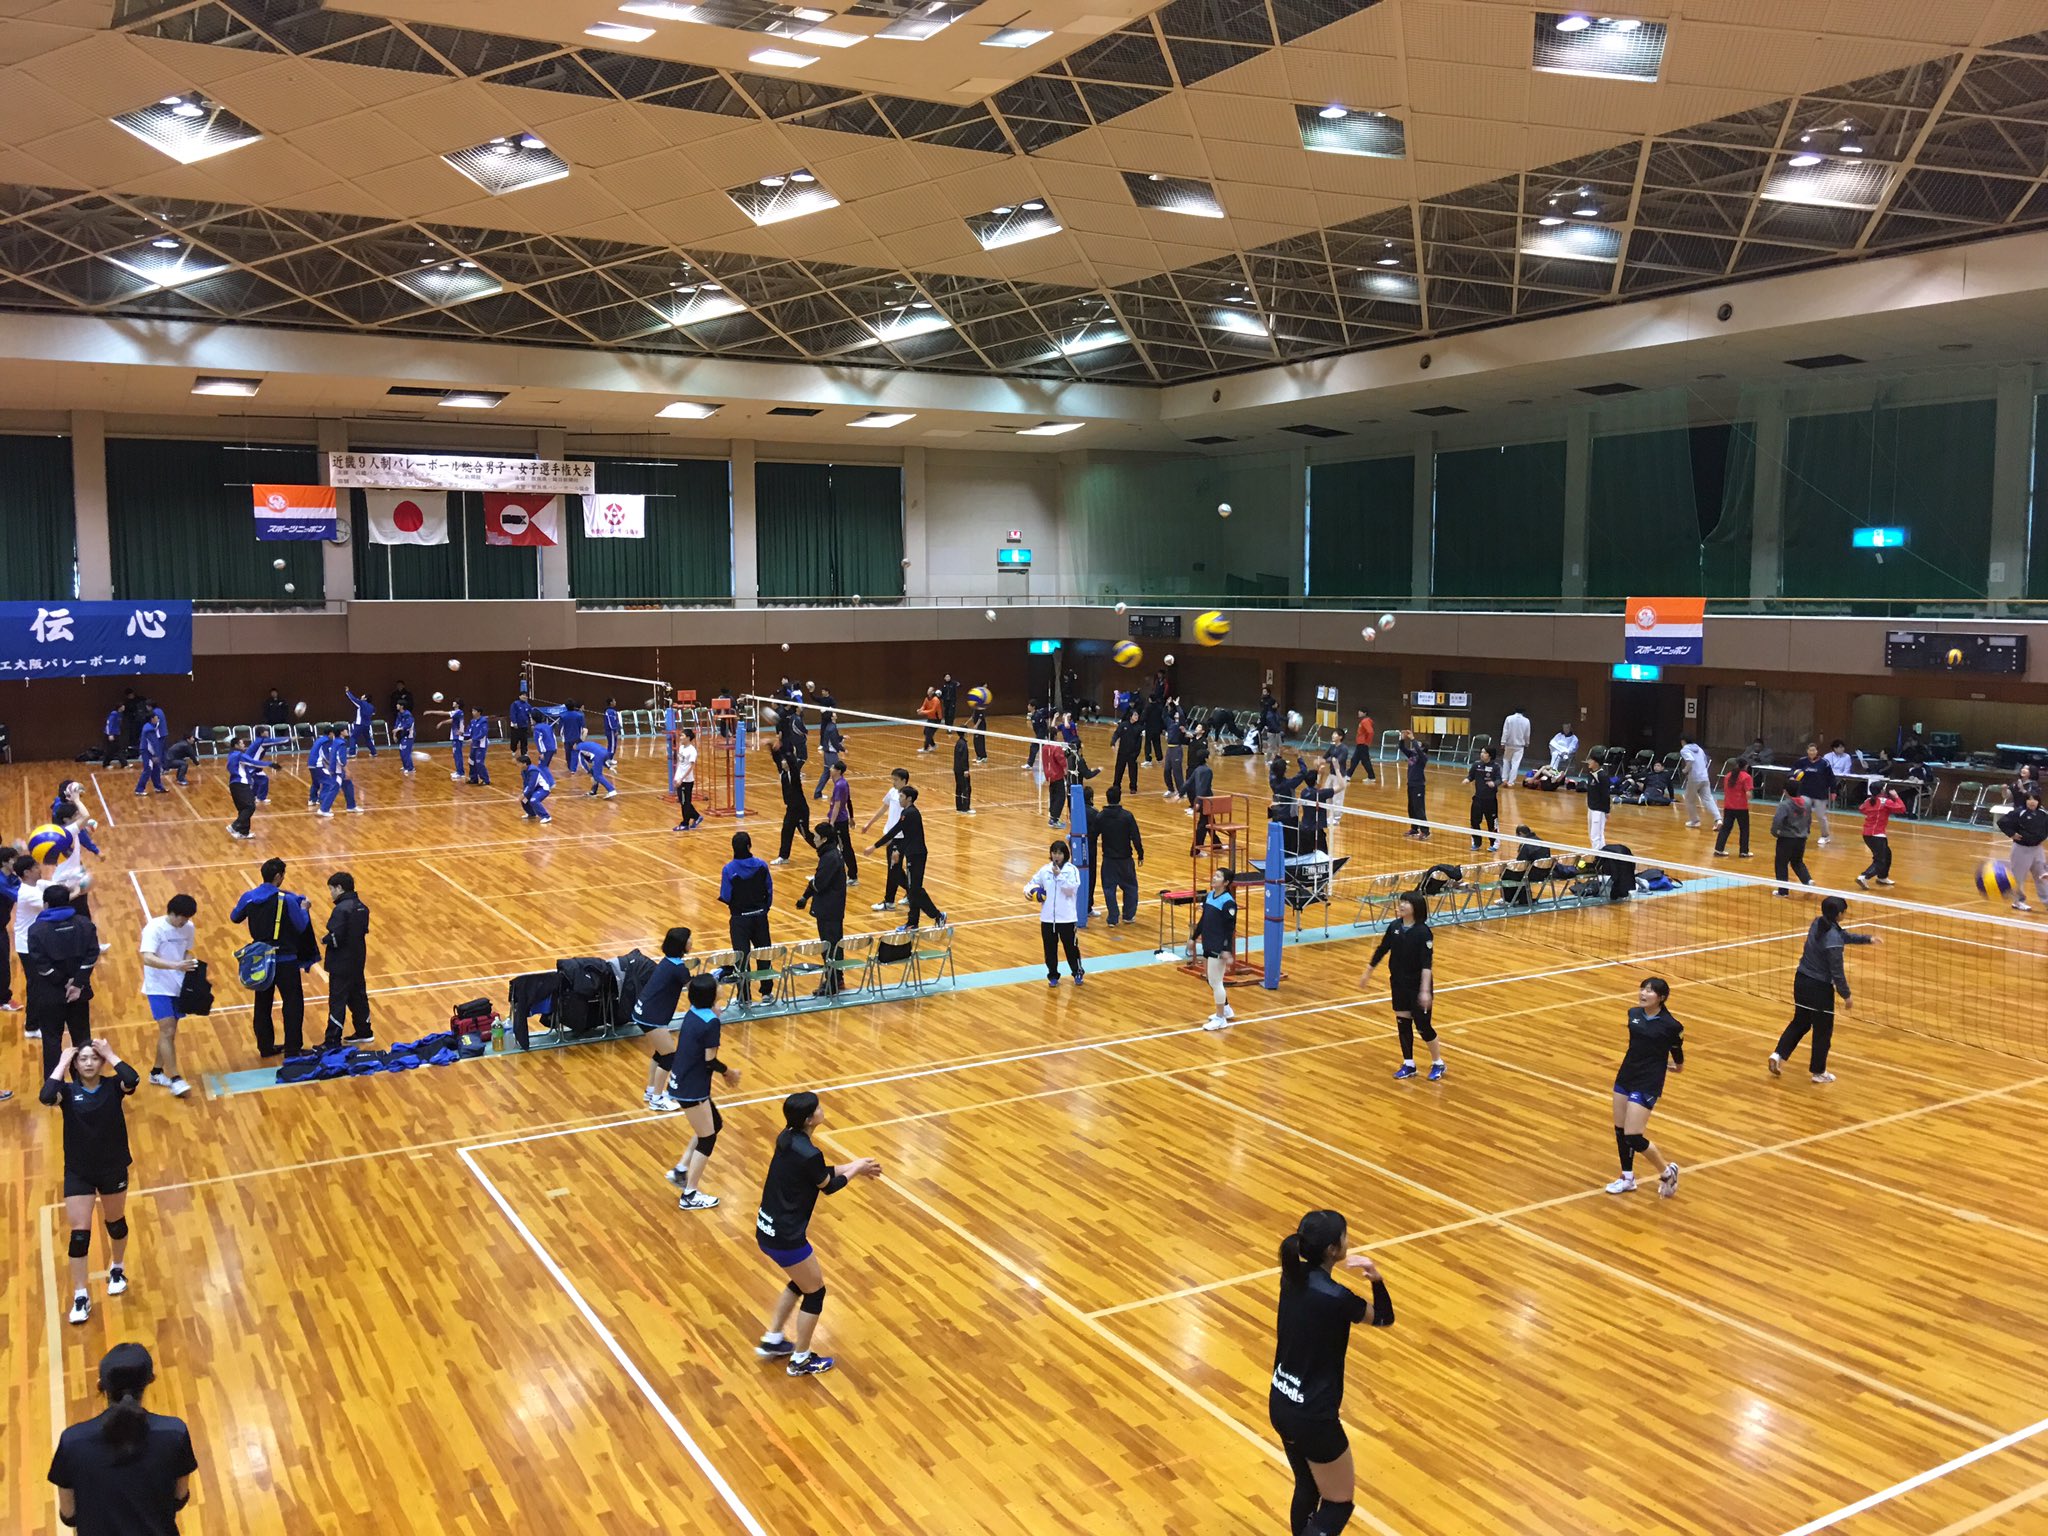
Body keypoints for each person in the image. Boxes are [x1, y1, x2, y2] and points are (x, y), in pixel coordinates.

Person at [1268, 1209, 1394, 1536]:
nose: (1348, 1241)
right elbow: (1383, 1317)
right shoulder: (1337, 1298)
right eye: (1345, 1236)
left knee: (1308, 1487)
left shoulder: (1291, 1277)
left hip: (1281, 1402)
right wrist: (1376, 1279)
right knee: (1338, 1503)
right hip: (1314, 1417)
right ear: (1332, 1250)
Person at [753, 1092, 884, 1381]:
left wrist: (854, 1166)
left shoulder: (787, 1138)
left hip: (766, 1228)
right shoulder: (809, 1153)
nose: (822, 1110)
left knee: (801, 1282)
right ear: (810, 1119)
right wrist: (856, 1170)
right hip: (787, 1238)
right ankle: (800, 1359)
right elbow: (828, 1186)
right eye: (818, 1108)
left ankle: (773, 1339)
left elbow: (817, 1174)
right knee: (815, 1292)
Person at [49, 1342, 198, 1533]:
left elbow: (68, 1514)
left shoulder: (72, 1442)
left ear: (100, 1385)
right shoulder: (175, 1433)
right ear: (150, 1380)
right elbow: (179, 1497)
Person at [42, 1038, 139, 1324]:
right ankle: (80, 1295)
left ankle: (117, 1268)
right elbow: (46, 1096)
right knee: (79, 1236)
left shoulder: (113, 1086)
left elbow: (132, 1079)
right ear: (76, 1063)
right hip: (79, 1172)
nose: (88, 1063)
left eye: (94, 1058)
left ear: (101, 1062)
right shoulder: (67, 1092)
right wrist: (62, 1062)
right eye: (82, 1058)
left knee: (115, 1223)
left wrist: (111, 1053)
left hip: (112, 1167)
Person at [1770, 896, 1876, 1084]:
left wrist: (1866, 939)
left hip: (1801, 981)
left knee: (1800, 1022)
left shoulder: (1818, 923)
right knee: (1822, 1031)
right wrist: (1846, 995)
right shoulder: (1833, 939)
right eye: (1845, 911)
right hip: (1819, 988)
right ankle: (1818, 1072)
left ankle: (1778, 1055)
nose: (1846, 914)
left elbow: (1843, 936)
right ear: (1839, 914)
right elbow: (1837, 972)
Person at [664, 973, 741, 1210]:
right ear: (711, 995)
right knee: (708, 1138)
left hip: (683, 1081)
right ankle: (690, 1194)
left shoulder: (694, 1012)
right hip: (692, 1088)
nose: (720, 986)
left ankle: (681, 1170)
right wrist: (729, 1073)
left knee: (714, 1125)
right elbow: (710, 1061)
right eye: (717, 986)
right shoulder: (711, 1023)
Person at [230, 858, 315, 1058]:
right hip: (285, 960)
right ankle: (293, 1049)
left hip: (261, 960)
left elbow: (235, 917)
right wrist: (304, 910)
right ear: (278, 876)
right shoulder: (285, 900)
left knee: (262, 1004)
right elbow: (300, 926)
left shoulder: (249, 897)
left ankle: (265, 1047)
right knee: (293, 1003)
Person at [1608, 977, 1683, 1197]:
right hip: (1626, 1075)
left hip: (1648, 1081)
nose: (1643, 993)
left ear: (1661, 998)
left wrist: (1677, 1066)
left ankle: (1667, 1172)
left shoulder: (1671, 1025)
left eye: (1650, 991)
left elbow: (1677, 1053)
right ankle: (1627, 1178)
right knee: (1620, 1130)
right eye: (1642, 989)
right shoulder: (1633, 1014)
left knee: (1633, 1135)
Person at [1362, 892, 1444, 1081]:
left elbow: (1426, 964)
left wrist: (1425, 991)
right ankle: (1409, 1064)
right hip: (1398, 983)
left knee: (1423, 1026)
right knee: (1403, 1023)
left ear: (1416, 907)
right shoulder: (1394, 927)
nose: (1402, 905)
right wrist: (1368, 971)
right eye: (1402, 901)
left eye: (1407, 902)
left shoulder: (1423, 932)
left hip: (1417, 986)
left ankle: (1438, 1062)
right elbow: (1382, 949)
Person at [28, 882, 100, 1079]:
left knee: (51, 1040)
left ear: (46, 904)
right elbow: (92, 955)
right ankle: (83, 1082)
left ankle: (54, 1085)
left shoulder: (36, 930)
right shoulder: (85, 924)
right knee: (82, 1039)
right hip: (79, 992)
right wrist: (76, 984)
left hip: (50, 995)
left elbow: (41, 964)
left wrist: (63, 982)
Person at [138, 893, 199, 1098]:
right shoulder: (154, 929)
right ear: (172, 913)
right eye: (182, 918)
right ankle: (175, 1079)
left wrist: (189, 963)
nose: (185, 922)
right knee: (168, 1029)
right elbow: (147, 958)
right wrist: (175, 965)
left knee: (169, 1033)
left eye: (188, 918)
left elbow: (187, 951)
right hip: (157, 986)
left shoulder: (188, 927)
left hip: (177, 985)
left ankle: (156, 1072)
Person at [632, 925, 694, 1111]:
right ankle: (657, 1099)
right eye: (689, 939)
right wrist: (713, 979)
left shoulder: (667, 962)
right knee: (669, 1057)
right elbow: (696, 991)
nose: (691, 942)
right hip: (652, 1017)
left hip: (643, 1012)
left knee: (661, 1053)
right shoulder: (679, 968)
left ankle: (651, 1090)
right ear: (681, 944)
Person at [319, 871, 373, 1049]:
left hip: (341, 963)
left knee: (337, 1000)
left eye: (331, 889)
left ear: (339, 888)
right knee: (358, 996)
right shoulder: (362, 907)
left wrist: (325, 939)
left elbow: (336, 937)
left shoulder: (341, 909)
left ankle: (332, 1039)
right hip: (357, 960)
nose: (331, 893)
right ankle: (364, 1031)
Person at [720, 831, 776, 1001]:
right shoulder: (761, 865)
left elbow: (726, 895)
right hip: (760, 917)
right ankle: (766, 992)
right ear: (749, 846)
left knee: (742, 958)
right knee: (764, 954)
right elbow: (769, 890)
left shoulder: (728, 869)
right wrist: (764, 909)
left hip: (740, 920)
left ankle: (744, 996)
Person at [878, 785, 945, 927]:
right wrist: (898, 850)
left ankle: (937, 915)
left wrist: (875, 846)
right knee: (913, 889)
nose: (899, 799)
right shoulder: (907, 812)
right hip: (912, 854)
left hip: (917, 855)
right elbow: (906, 836)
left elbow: (896, 831)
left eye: (901, 796)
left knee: (914, 890)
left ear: (909, 799)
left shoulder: (910, 813)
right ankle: (913, 922)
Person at [795, 825, 848, 996]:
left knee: (829, 946)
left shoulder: (830, 858)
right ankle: (837, 978)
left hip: (829, 909)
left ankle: (832, 982)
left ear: (824, 839)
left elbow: (819, 883)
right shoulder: (831, 854)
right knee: (834, 944)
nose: (814, 838)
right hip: (833, 907)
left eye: (816, 836)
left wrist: (806, 894)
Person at [1025, 840, 1084, 988]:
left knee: (1071, 948)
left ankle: (1077, 972)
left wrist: (1059, 876)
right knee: (1050, 949)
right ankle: (1052, 975)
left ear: (1065, 854)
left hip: (1067, 919)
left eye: (1060, 853)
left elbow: (1071, 889)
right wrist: (1031, 892)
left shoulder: (1072, 870)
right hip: (1047, 919)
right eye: (1054, 853)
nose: (1057, 856)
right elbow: (1030, 884)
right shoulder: (1045, 870)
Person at [1089, 785, 1145, 927]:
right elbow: (1136, 836)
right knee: (1130, 887)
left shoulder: (1101, 816)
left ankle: (1113, 917)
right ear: (1119, 798)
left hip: (1109, 859)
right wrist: (1140, 853)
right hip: (1125, 859)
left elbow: (1093, 836)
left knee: (1109, 889)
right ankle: (1128, 915)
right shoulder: (1127, 816)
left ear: (1107, 798)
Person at [1195, 865, 1239, 1031]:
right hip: (1208, 942)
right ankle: (1226, 1009)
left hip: (1218, 945)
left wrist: (1226, 949)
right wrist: (1193, 938)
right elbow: (1203, 920)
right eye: (1214, 875)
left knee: (1216, 981)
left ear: (1226, 882)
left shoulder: (1228, 903)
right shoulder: (1209, 896)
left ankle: (1221, 1019)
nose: (1214, 878)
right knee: (1209, 978)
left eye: (1218, 876)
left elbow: (1230, 929)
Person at [864, 767, 910, 912]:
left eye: (896, 780)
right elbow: (883, 808)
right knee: (895, 869)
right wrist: (869, 824)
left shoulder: (908, 796)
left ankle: (889, 902)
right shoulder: (892, 792)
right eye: (892, 779)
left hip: (899, 838)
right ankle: (912, 892)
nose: (893, 782)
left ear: (904, 781)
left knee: (893, 869)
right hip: (890, 835)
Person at [1997, 791, 2048, 912]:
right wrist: (2012, 834)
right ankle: (2018, 902)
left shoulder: (2043, 813)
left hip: (2037, 850)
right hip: (2021, 850)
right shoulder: (2018, 812)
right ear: (2025, 801)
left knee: (2042, 876)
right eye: (2029, 799)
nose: (2032, 802)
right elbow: (2002, 822)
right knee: (2018, 878)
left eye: (2035, 799)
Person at [1856, 781, 1907, 889]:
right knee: (1880, 861)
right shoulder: (1886, 802)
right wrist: (1896, 797)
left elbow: (1862, 809)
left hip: (1867, 834)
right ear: (1882, 791)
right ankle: (1864, 876)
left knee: (1887, 854)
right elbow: (1902, 809)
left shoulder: (1868, 801)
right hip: (1877, 835)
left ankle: (1882, 877)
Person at [1787, 743, 1834, 847]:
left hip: (1820, 794)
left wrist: (1833, 792)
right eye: (1810, 750)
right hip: (1805, 792)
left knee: (1821, 816)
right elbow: (1792, 770)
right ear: (1807, 751)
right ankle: (1803, 832)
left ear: (1817, 751)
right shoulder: (1801, 761)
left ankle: (1825, 836)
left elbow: (1831, 778)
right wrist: (1791, 776)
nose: (1812, 752)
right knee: (1804, 813)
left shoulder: (1824, 763)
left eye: (1814, 750)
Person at [1770, 793, 1814, 897]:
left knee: (1781, 864)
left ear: (1785, 791)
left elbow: (1777, 820)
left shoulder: (1784, 805)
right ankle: (1808, 881)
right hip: (1801, 838)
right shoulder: (1807, 803)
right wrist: (1806, 831)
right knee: (1797, 862)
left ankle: (1783, 891)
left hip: (1786, 839)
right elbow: (1809, 819)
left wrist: (1775, 832)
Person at [773, 745, 811, 862]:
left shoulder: (794, 774)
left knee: (806, 834)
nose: (782, 762)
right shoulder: (783, 773)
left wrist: (788, 750)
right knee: (786, 831)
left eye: (785, 761)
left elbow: (792, 762)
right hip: (791, 809)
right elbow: (776, 759)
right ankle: (783, 857)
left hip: (800, 809)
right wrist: (771, 746)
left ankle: (828, 847)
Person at [1676, 735, 1718, 830]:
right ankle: (1718, 819)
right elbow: (1705, 761)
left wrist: (1685, 770)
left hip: (1694, 778)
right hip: (1704, 776)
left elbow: (1690, 760)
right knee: (1708, 799)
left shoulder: (1685, 750)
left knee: (1689, 799)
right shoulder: (1699, 749)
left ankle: (1695, 820)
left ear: (1683, 741)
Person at [1714, 757, 1753, 858]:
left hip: (1728, 806)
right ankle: (1744, 851)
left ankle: (1719, 849)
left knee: (1725, 829)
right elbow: (1748, 794)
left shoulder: (1728, 776)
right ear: (1746, 766)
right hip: (1741, 808)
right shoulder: (1747, 777)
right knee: (1744, 829)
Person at [318, 725, 361, 817]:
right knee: (334, 789)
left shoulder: (335, 741)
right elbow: (340, 759)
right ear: (341, 732)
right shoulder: (341, 743)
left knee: (348, 785)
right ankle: (323, 809)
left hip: (336, 769)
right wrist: (347, 770)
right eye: (345, 729)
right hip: (338, 770)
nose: (347, 731)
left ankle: (351, 806)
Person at [1466, 746, 1500, 853]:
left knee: (1491, 822)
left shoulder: (1495, 767)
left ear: (1490, 755)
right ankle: (1476, 842)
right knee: (1474, 821)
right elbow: (1471, 776)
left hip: (1490, 800)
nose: (1482, 754)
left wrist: (1494, 783)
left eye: (1484, 753)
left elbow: (1499, 779)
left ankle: (1494, 843)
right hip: (1478, 799)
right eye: (1481, 752)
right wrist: (1467, 779)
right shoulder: (1476, 765)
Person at [1400, 731, 1430, 839]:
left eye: (1419, 745)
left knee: (1419, 809)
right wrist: (1402, 738)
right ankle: (1414, 829)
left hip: (1418, 786)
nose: (1415, 746)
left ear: (1422, 748)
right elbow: (1402, 748)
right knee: (1411, 808)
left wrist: (1413, 739)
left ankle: (1425, 831)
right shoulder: (1412, 755)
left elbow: (1418, 750)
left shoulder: (1423, 758)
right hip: (1410, 784)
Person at [671, 727, 702, 831]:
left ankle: (685, 823)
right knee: (683, 802)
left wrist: (682, 779)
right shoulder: (681, 748)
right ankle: (697, 816)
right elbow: (680, 763)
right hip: (680, 779)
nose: (680, 737)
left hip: (687, 781)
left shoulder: (692, 751)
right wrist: (676, 777)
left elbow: (691, 767)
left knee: (685, 803)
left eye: (682, 736)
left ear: (688, 738)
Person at [132, 712, 166, 796]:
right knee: (148, 769)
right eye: (156, 717)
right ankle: (139, 789)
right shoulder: (149, 729)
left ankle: (158, 787)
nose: (158, 719)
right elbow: (153, 743)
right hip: (148, 752)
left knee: (156, 768)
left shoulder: (148, 726)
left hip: (149, 751)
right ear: (152, 719)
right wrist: (155, 755)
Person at [1112, 706, 1143, 795]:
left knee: (1133, 771)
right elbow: (1116, 734)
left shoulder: (1139, 728)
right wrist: (1113, 743)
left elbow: (1139, 743)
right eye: (1135, 715)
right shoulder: (1123, 725)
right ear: (1130, 716)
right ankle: (1116, 786)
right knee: (1119, 769)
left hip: (1132, 754)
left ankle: (1133, 787)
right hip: (1122, 752)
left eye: (1137, 715)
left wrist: (1136, 754)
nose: (1137, 717)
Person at [1585, 753, 1613, 851]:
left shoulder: (1602, 776)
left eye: (1591, 760)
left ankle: (1597, 854)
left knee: (1596, 834)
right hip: (1591, 808)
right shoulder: (1590, 774)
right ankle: (1600, 851)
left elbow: (1606, 794)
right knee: (1591, 833)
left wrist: (1607, 811)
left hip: (1599, 810)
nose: (1588, 762)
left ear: (1596, 763)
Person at [812, 709, 842, 800]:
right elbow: (834, 742)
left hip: (827, 753)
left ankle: (817, 793)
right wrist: (843, 749)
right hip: (831, 754)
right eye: (834, 713)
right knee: (836, 773)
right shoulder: (832, 727)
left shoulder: (830, 726)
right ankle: (838, 794)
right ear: (832, 717)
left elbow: (835, 738)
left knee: (826, 773)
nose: (835, 714)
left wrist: (842, 737)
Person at [519, 751, 555, 824]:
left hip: (543, 789)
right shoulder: (523, 771)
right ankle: (531, 813)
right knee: (524, 800)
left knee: (533, 800)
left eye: (519, 763)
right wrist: (524, 793)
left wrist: (524, 794)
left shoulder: (533, 771)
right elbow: (526, 783)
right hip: (535, 789)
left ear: (524, 763)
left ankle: (546, 816)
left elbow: (532, 784)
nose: (518, 765)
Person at [1042, 735, 1069, 827]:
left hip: (1049, 775)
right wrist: (1066, 770)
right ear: (1055, 736)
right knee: (1060, 797)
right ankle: (1054, 819)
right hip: (1057, 775)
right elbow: (1062, 761)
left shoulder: (1044, 747)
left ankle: (1052, 817)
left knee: (1053, 795)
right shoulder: (1056, 748)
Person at [344, 685, 378, 757]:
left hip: (359, 724)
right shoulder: (372, 706)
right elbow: (373, 713)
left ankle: (352, 753)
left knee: (353, 737)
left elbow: (353, 699)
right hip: (367, 725)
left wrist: (347, 692)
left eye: (363, 695)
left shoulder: (361, 703)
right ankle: (374, 752)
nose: (361, 696)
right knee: (367, 739)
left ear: (365, 698)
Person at [1499, 708, 1530, 783]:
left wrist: (1502, 742)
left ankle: (1504, 778)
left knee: (1506, 761)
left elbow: (1505, 731)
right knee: (1515, 763)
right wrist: (1527, 743)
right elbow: (1527, 734)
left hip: (1509, 744)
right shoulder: (1526, 721)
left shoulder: (1509, 718)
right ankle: (1511, 781)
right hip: (1519, 746)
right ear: (1523, 712)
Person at [1349, 709, 1377, 784]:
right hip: (1361, 744)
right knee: (1355, 760)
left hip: (1362, 744)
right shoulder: (1364, 721)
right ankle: (1348, 775)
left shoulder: (1365, 721)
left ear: (1364, 713)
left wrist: (1367, 742)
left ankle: (1371, 777)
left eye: (1360, 711)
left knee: (1365, 761)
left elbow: (1370, 732)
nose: (1359, 713)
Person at [466, 709, 493, 786]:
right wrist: (462, 734)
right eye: (472, 711)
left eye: (474, 711)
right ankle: (473, 778)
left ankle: (485, 780)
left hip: (481, 745)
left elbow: (483, 733)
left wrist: (474, 739)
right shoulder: (472, 721)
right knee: (471, 761)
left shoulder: (483, 721)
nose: (472, 712)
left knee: (479, 762)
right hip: (474, 745)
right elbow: (469, 731)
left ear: (479, 712)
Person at [393, 698, 416, 776]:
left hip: (409, 735)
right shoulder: (399, 714)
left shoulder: (408, 714)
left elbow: (408, 725)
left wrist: (399, 729)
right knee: (401, 750)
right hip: (403, 735)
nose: (396, 705)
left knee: (406, 752)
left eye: (398, 704)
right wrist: (394, 735)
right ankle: (406, 766)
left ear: (402, 706)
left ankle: (410, 768)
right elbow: (397, 725)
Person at [507, 690, 532, 759]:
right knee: (515, 740)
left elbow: (530, 715)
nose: (524, 697)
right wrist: (514, 722)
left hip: (524, 726)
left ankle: (524, 753)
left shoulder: (528, 705)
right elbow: (512, 713)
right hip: (516, 726)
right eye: (523, 695)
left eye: (526, 696)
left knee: (524, 740)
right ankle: (513, 750)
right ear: (519, 696)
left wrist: (531, 723)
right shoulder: (515, 704)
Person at [918, 688, 941, 752]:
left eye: (930, 691)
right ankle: (933, 745)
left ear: (933, 692)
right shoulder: (926, 699)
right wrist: (920, 710)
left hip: (936, 719)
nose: (928, 692)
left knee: (928, 733)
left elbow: (933, 711)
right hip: (930, 719)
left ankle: (926, 748)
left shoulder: (936, 700)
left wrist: (923, 712)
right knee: (925, 732)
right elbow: (924, 706)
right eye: (928, 690)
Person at [604, 696, 623, 760]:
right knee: (612, 746)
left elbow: (616, 721)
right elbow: (611, 722)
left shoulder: (613, 711)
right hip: (611, 731)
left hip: (613, 731)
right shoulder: (609, 711)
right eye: (614, 701)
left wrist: (618, 728)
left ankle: (610, 758)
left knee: (613, 745)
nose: (615, 702)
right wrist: (615, 730)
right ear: (611, 703)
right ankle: (609, 759)